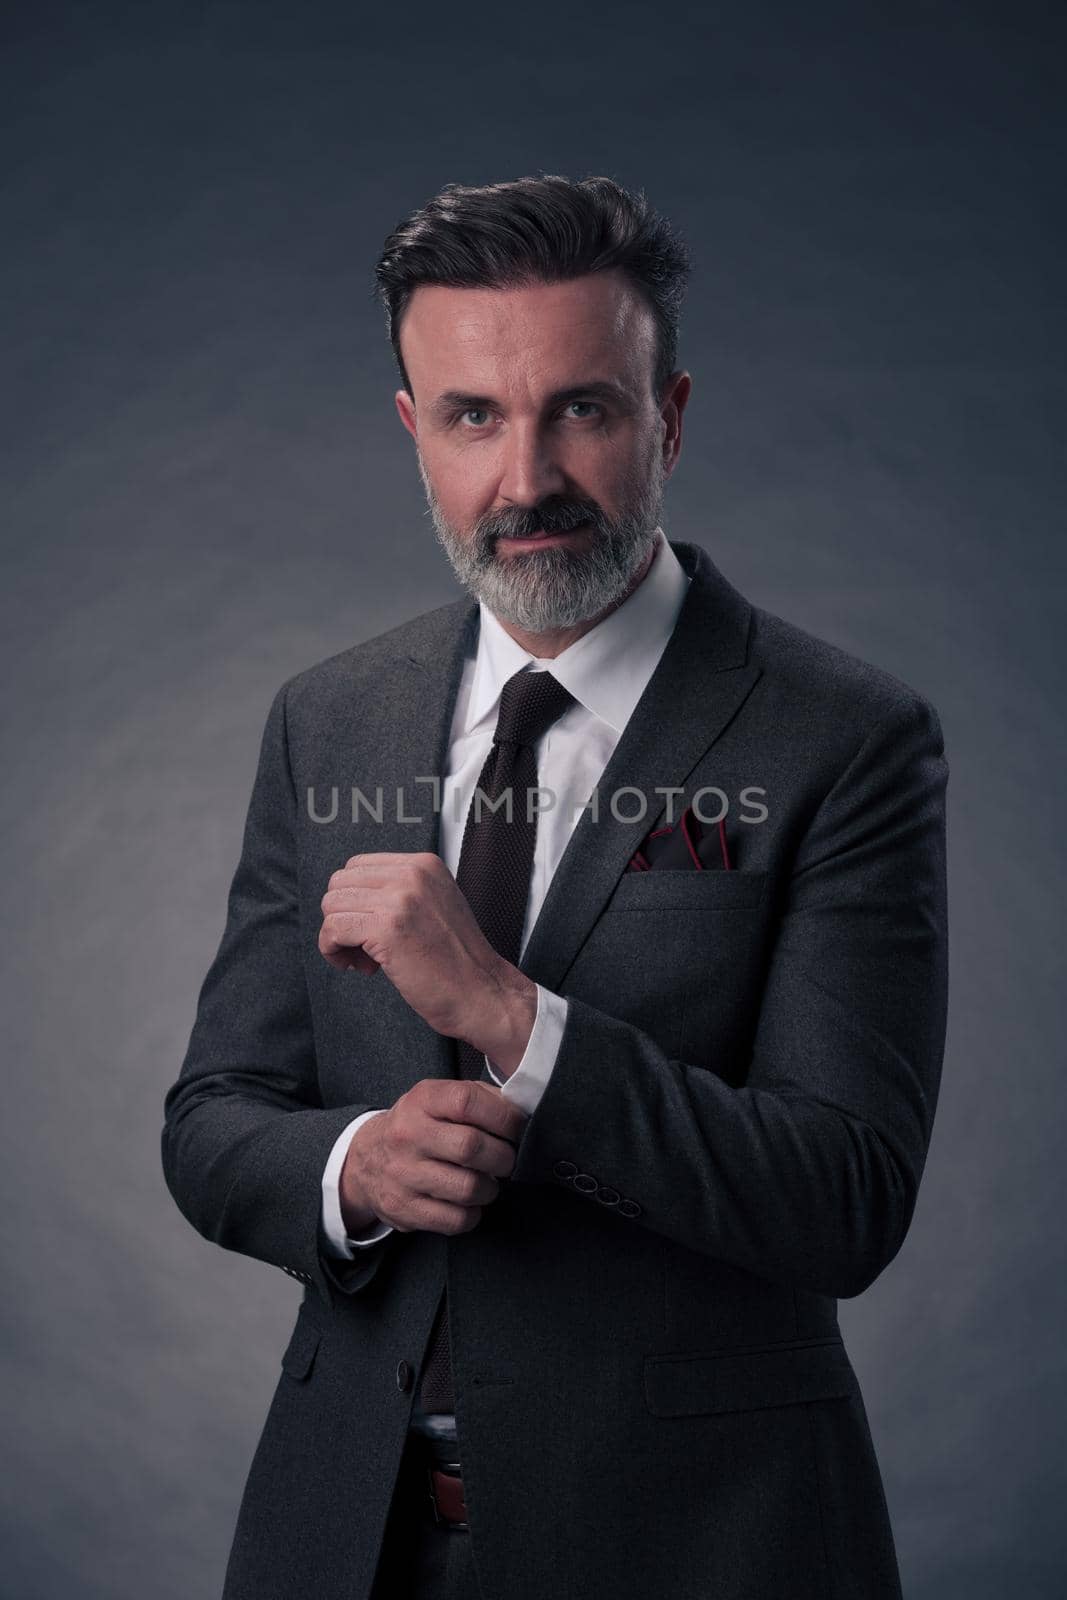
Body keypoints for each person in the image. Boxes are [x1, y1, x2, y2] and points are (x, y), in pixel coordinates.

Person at [161, 174, 948, 1600]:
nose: (524, 481)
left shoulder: (843, 739)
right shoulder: (325, 719)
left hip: (707, 1548)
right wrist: (351, 1171)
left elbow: (847, 1198)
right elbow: (215, 1120)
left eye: (582, 408)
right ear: (414, 429)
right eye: (472, 416)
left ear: (671, 416)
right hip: (347, 1542)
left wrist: (515, 1019)